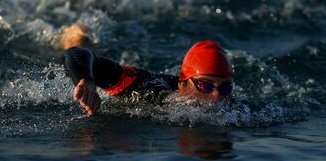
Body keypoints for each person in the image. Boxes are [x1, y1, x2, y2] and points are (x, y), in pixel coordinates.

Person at [61, 24, 233, 116]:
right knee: (80, 35)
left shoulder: (235, 109)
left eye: (225, 88)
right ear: (183, 84)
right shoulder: (141, 86)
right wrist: (86, 80)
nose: (216, 97)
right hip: (91, 55)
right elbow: (75, 53)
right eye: (205, 86)